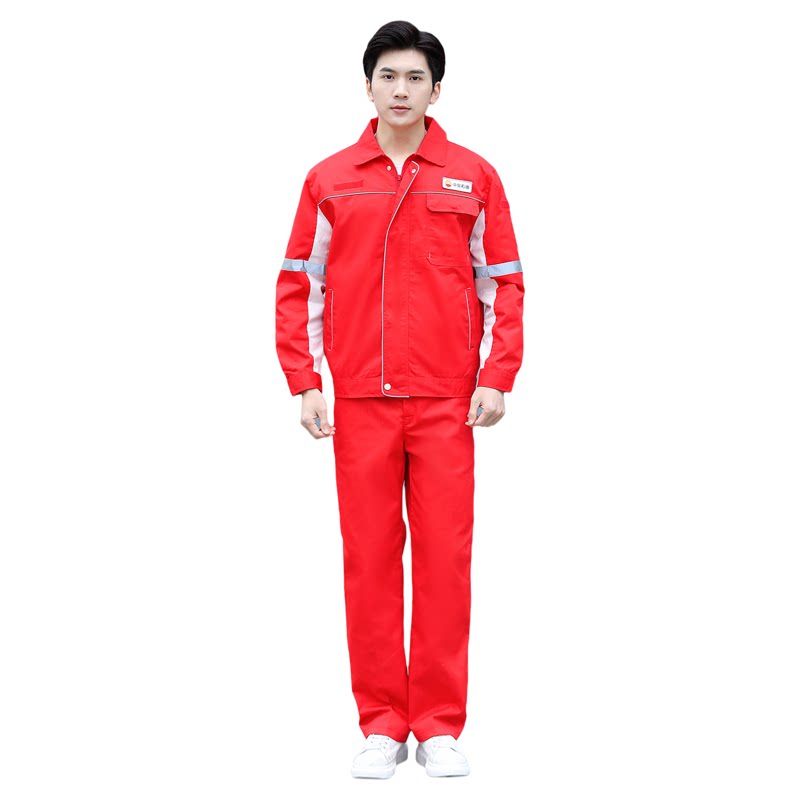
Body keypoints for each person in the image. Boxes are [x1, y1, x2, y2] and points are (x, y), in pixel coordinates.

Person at [275, 20, 524, 779]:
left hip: (448, 401)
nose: (401, 89)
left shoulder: (473, 176)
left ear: (436, 90)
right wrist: (306, 381)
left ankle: (439, 725)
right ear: (368, 86)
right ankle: (383, 724)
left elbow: (503, 282)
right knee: (371, 562)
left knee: (445, 562)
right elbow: (299, 284)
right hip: (361, 400)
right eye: (388, 76)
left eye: (416, 77)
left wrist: (496, 374)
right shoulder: (330, 179)